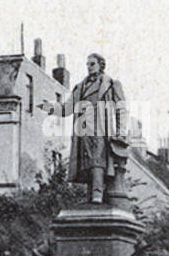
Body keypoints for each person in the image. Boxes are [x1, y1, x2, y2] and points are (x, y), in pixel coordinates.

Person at [47, 53, 129, 204]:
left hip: (102, 129)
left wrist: (120, 132)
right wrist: (51, 108)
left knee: (98, 161)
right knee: (86, 162)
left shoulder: (111, 84)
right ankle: (90, 196)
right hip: (83, 129)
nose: (89, 67)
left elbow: (121, 109)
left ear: (101, 65)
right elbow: (68, 108)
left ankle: (97, 194)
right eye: (87, 64)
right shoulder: (80, 87)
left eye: (92, 64)